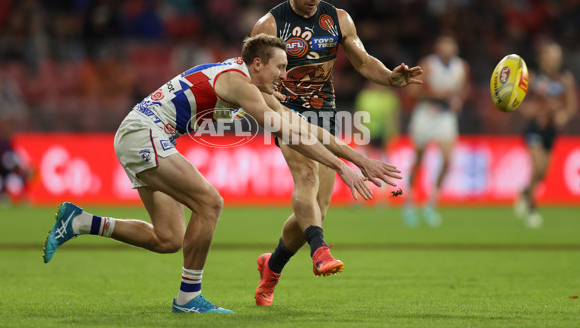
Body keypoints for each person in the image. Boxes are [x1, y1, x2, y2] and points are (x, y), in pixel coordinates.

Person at [42, 33, 403, 314]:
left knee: (168, 239)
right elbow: (288, 133)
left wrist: (357, 158)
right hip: (145, 133)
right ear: (257, 64)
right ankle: (189, 298)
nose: (284, 75)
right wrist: (340, 167)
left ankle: (78, 222)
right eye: (279, 67)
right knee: (210, 203)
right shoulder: (238, 82)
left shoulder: (251, 84)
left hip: (146, 134)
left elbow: (301, 125)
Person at [250, 0, 422, 307]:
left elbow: (363, 60)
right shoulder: (269, 25)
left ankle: (272, 266)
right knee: (307, 180)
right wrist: (264, 109)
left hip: (324, 114)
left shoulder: (338, 19)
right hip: (283, 111)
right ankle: (320, 251)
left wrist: (391, 77)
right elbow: (252, 76)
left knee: (318, 208)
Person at [403, 34, 470, 227]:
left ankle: (431, 203)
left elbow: (464, 89)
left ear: (455, 48)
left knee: (448, 160)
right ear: (437, 48)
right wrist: (436, 94)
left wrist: (459, 100)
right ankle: (410, 202)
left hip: (445, 116)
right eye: (443, 44)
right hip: (425, 114)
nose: (446, 48)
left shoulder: (461, 67)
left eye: (450, 44)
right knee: (419, 159)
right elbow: (412, 91)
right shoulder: (428, 64)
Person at [516, 40, 577, 228]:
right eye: (549, 56)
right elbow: (518, 100)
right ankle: (532, 210)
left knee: (543, 173)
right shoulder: (531, 77)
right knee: (537, 166)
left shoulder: (565, 79)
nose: (553, 60)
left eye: (556, 57)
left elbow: (571, 106)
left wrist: (563, 116)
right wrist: (529, 110)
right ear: (542, 58)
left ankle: (525, 192)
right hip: (535, 128)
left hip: (551, 131)